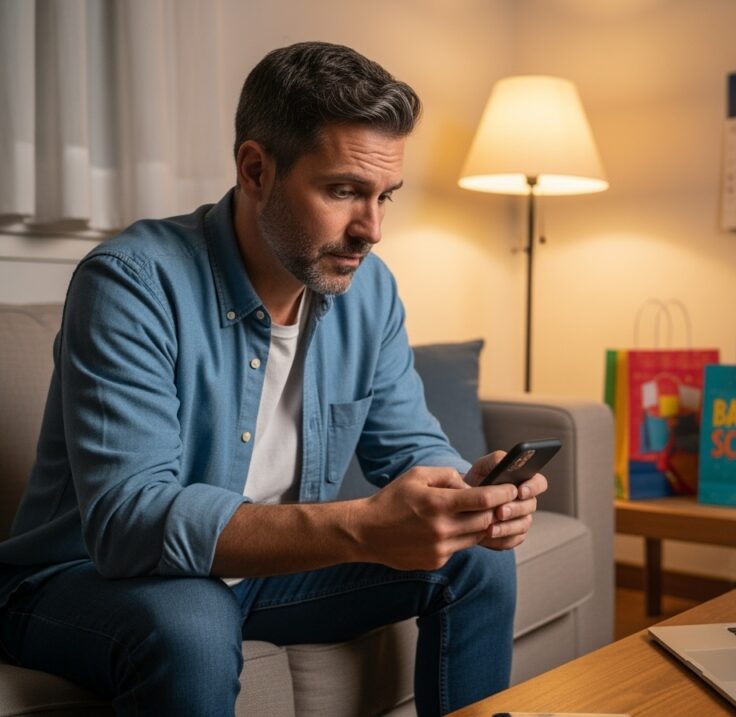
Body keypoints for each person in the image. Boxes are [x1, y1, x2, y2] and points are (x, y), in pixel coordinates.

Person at [0, 42, 547, 717]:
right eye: (343, 190)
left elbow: (411, 445)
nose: (371, 229)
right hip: (83, 578)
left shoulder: (369, 291)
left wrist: (472, 496)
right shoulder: (132, 282)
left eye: (384, 196)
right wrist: (362, 526)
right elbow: (129, 523)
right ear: (256, 169)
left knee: (478, 560)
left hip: (265, 577)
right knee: (193, 620)